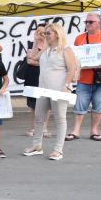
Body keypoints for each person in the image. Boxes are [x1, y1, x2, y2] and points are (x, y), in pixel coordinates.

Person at [23, 23, 78, 161]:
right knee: (39, 117)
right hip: (43, 89)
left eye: (48, 33)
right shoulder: (46, 49)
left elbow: (72, 69)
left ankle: (58, 150)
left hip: (59, 91)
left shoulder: (66, 49)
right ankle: (37, 146)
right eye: (44, 33)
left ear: (57, 34)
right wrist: (36, 40)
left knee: (60, 119)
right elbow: (32, 58)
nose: (45, 35)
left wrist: (66, 85)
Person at [67, 12, 101, 142]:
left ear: (99, 23)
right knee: (80, 104)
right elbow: (76, 58)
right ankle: (76, 131)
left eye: (90, 22)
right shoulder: (79, 38)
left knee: (99, 104)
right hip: (84, 78)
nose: (87, 24)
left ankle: (94, 131)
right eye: (86, 22)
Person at [23, 26, 49, 138]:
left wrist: (37, 61)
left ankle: (44, 128)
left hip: (45, 77)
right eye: (38, 31)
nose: (40, 34)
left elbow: (48, 62)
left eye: (43, 32)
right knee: (33, 104)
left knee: (46, 103)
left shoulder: (50, 46)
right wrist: (35, 41)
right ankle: (34, 127)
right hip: (32, 77)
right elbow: (29, 60)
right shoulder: (31, 44)